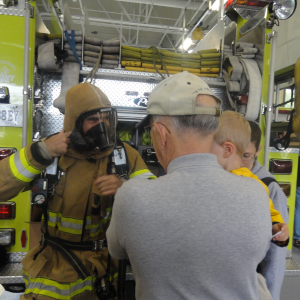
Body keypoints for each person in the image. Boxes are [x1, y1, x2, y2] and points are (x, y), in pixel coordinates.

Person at [107, 72, 272, 300]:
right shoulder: (256, 194)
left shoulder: (133, 197)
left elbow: (116, 250)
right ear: (212, 129)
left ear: (160, 134)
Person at [0, 81, 155, 300]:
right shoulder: (50, 152)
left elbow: (156, 202)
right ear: (74, 122)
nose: (102, 126)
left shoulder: (125, 155)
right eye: (93, 119)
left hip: (105, 271)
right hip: (54, 269)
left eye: (105, 118)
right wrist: (41, 153)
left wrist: (127, 188)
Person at [241, 120, 289, 300]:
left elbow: (276, 255)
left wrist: (271, 294)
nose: (238, 162)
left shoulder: (270, 188)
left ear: (258, 151)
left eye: (246, 155)